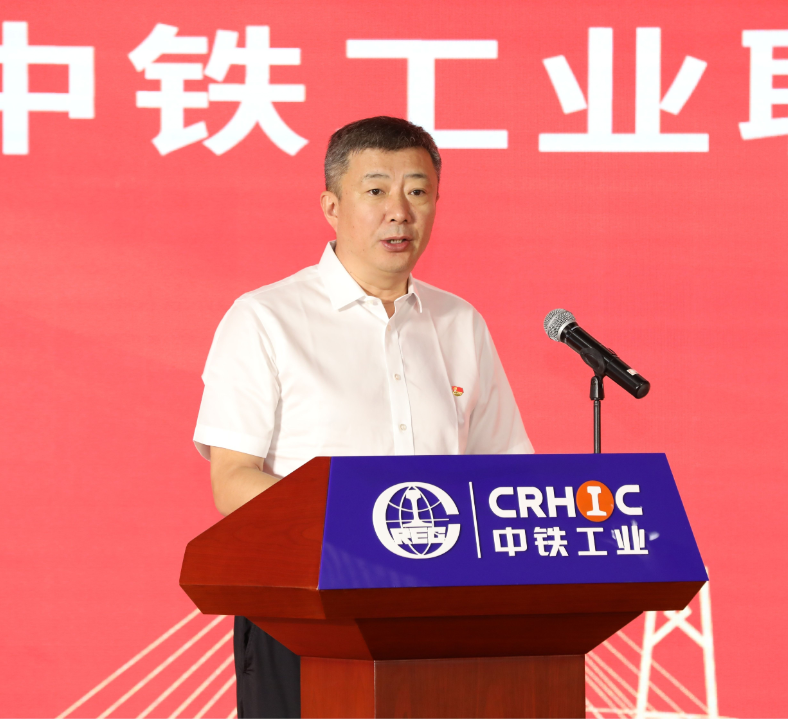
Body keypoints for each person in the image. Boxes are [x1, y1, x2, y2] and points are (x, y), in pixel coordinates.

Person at [192, 116, 533, 718]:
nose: (399, 212)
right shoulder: (265, 318)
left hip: (440, 613)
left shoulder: (460, 323)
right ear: (332, 206)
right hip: (303, 615)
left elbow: (506, 475)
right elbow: (233, 480)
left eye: (418, 191)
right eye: (376, 190)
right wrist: (364, 530)